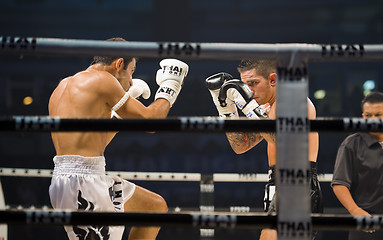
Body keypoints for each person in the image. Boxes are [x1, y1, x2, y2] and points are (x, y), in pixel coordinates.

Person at [48, 37, 189, 240]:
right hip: (83, 184)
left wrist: (121, 108)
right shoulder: (103, 80)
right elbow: (151, 122)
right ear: (119, 63)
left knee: (154, 207)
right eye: (131, 72)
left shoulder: (63, 86)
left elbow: (96, 141)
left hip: (77, 178)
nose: (131, 81)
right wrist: (170, 88)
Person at [205, 59, 322, 240]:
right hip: (276, 182)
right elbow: (241, 145)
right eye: (245, 85)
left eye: (253, 83)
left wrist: (248, 106)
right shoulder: (267, 109)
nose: (249, 91)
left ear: (273, 80)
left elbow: (278, 138)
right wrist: (226, 109)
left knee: (268, 236)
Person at [331, 91, 383, 240]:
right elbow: (339, 183)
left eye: (378, 114)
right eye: (368, 116)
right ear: (362, 117)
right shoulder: (352, 143)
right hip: (366, 226)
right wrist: (355, 211)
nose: (373, 120)